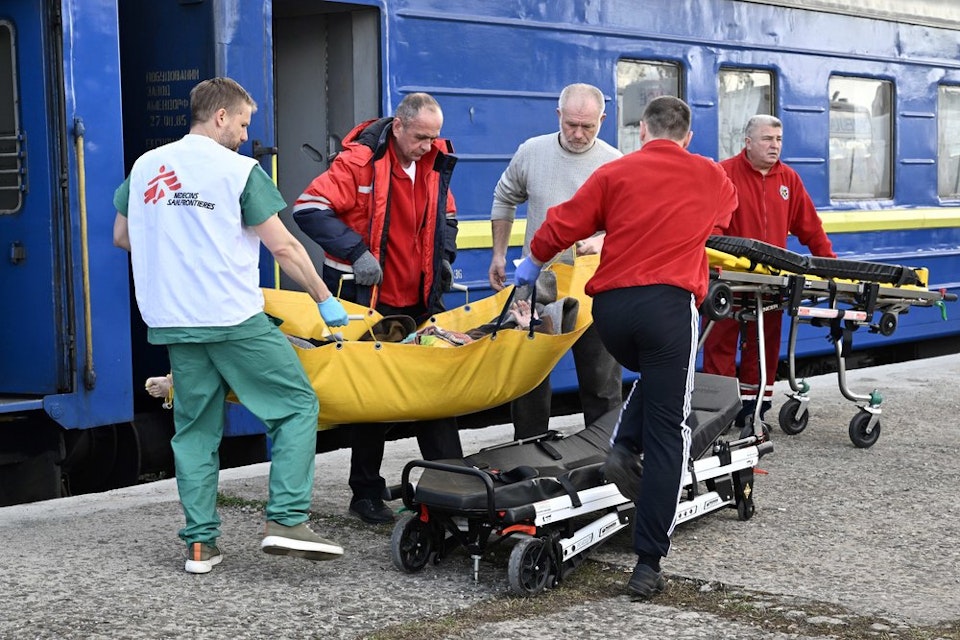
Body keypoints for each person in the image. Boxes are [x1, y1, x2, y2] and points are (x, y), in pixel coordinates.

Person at [113, 77, 350, 574]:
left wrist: (179, 251)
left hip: (174, 321)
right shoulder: (239, 171)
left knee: (196, 432)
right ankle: (286, 520)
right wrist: (325, 301)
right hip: (232, 318)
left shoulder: (145, 166)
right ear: (220, 116)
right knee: (295, 407)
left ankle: (200, 546)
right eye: (243, 123)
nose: (246, 135)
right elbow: (283, 246)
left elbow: (123, 236)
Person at [514, 96, 737, 598]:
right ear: (688, 136)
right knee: (670, 431)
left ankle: (621, 451)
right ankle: (648, 563)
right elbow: (722, 220)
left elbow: (564, 222)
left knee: (656, 389)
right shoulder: (712, 176)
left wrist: (532, 263)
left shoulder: (615, 172)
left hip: (611, 313)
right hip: (666, 310)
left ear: (642, 131)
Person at [292, 92, 463, 525]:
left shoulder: (435, 160)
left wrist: (444, 258)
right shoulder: (359, 161)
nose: (429, 144)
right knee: (373, 399)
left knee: (434, 390)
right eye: (422, 136)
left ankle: (453, 486)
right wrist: (357, 253)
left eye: (434, 136)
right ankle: (365, 493)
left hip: (419, 297)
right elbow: (309, 208)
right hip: (368, 299)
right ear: (400, 127)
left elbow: (448, 216)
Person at [488, 83, 624, 440]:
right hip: (536, 284)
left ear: (603, 120)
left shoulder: (615, 162)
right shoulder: (532, 152)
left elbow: (631, 222)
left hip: (594, 289)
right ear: (558, 116)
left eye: (588, 127)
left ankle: (604, 458)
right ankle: (528, 451)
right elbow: (504, 198)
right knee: (530, 380)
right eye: (572, 125)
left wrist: (601, 240)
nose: (579, 134)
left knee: (600, 381)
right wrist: (499, 254)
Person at [702, 114, 835, 427]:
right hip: (727, 282)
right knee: (718, 344)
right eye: (767, 139)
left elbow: (811, 228)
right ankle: (717, 413)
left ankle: (754, 410)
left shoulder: (788, 179)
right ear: (748, 142)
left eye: (778, 140)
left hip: (771, 283)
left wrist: (829, 265)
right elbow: (712, 227)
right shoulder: (723, 174)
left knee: (763, 346)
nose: (774, 146)